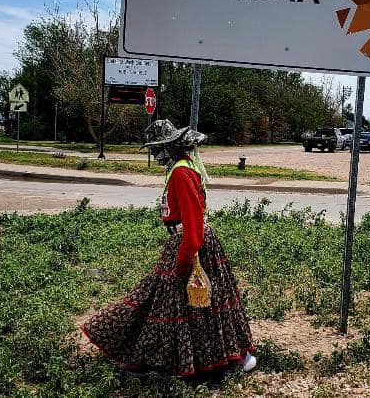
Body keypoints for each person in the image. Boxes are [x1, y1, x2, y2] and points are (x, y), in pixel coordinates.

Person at [80, 119, 256, 376]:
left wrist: (184, 260)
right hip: (191, 244)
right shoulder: (183, 168)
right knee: (194, 306)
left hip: (192, 246)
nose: (154, 154)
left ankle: (205, 362)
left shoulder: (181, 173)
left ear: (169, 147)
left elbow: (193, 220)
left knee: (178, 303)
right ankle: (185, 360)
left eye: (157, 148)